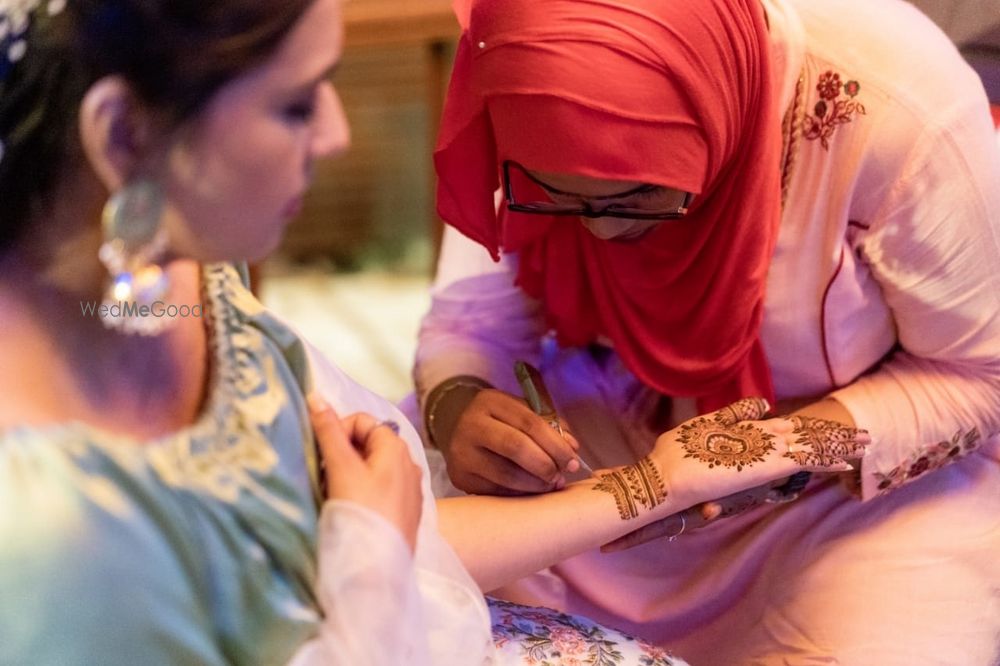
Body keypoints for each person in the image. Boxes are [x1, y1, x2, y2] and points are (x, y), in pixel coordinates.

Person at [0, 0, 869, 663]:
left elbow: (398, 517)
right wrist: (366, 573)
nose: (340, 135)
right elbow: (376, 538)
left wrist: (654, 482)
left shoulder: (172, 284)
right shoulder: (43, 530)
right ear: (122, 134)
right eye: (298, 105)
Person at [413, 0, 1000, 662]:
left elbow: (979, 376)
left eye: (638, 196)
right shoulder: (524, 71)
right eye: (558, 196)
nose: (602, 232)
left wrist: (774, 455)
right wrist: (458, 403)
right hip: (600, 465)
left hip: (851, 496)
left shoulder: (891, 110)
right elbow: (474, 320)